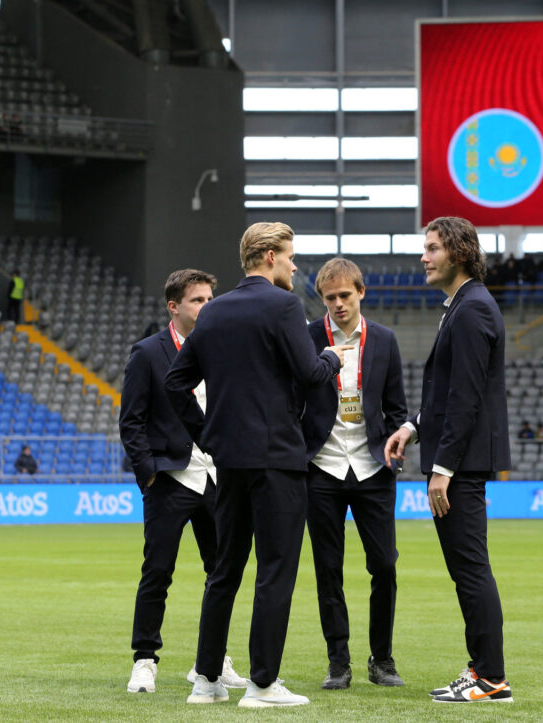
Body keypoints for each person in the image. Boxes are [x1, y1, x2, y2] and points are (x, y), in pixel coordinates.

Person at [164, 222, 351, 708]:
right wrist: (332, 357)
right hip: (276, 462)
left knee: (224, 570)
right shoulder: (285, 305)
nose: (294, 265)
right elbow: (310, 374)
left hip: (228, 461)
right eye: (290, 256)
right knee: (275, 570)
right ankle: (262, 684)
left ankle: (206, 681)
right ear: (269, 256)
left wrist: (208, 435)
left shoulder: (215, 311)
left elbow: (175, 383)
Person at [383, 216, 513, 704]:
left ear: (458, 252)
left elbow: (466, 397)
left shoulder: (474, 308)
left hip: (461, 464)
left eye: (433, 247)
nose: (424, 256)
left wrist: (443, 468)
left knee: (471, 570)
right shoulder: (463, 305)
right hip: (455, 457)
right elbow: (446, 394)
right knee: (467, 570)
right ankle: (483, 670)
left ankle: (490, 678)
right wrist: (413, 427)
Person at [119, 268, 248, 696]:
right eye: (198, 300)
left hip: (217, 478)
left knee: (222, 573)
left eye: (211, 299)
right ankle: (144, 661)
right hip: (170, 479)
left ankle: (212, 662)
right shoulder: (147, 352)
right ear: (174, 306)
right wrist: (149, 473)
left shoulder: (224, 350)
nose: (207, 306)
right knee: (157, 572)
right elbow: (131, 421)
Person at [301, 257, 408, 691]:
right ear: (322, 299)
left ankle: (381, 659)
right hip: (322, 467)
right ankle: (338, 662)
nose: (339, 304)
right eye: (330, 298)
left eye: (346, 295)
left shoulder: (385, 340)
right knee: (328, 569)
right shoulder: (307, 337)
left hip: (372, 468)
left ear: (361, 292)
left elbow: (397, 406)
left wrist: (397, 447)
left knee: (384, 565)